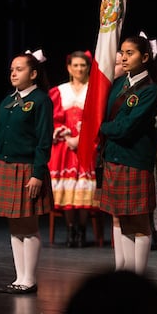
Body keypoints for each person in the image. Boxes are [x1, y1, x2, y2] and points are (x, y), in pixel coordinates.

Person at [0, 49, 54, 295]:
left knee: (28, 225)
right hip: (5, 168)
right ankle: (19, 276)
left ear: (34, 73)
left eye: (20, 69)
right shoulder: (7, 101)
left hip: (27, 168)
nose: (14, 73)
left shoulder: (40, 100)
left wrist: (37, 173)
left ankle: (30, 278)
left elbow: (43, 140)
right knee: (14, 226)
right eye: (12, 69)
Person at [98, 35, 157, 275]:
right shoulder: (117, 84)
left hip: (135, 160)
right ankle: (122, 271)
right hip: (114, 157)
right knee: (122, 218)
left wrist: (100, 128)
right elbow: (107, 117)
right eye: (122, 52)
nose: (123, 57)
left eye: (130, 53)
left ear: (145, 57)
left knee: (139, 222)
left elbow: (125, 127)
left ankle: (138, 276)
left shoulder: (150, 90)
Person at [48, 50, 98, 248]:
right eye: (75, 65)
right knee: (69, 190)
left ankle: (83, 229)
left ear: (88, 67)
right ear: (69, 68)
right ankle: (70, 229)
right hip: (65, 146)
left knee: (83, 187)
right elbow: (54, 118)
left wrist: (81, 138)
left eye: (83, 65)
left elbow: (96, 118)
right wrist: (68, 137)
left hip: (87, 144)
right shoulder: (59, 91)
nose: (79, 69)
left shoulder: (94, 90)